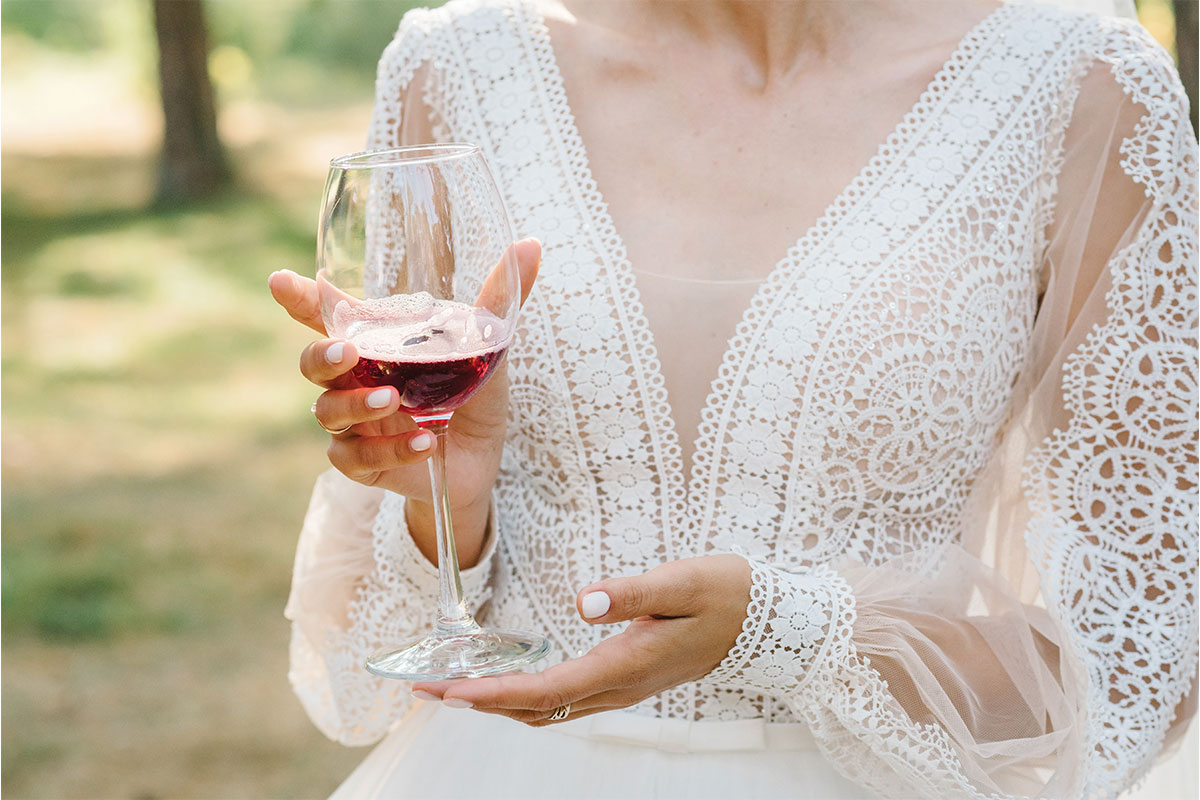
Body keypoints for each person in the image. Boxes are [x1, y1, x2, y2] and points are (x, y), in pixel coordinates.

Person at [267, 0, 1197, 797]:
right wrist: (452, 512)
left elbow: (1142, 654)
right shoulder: (456, 65)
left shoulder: (1084, 88)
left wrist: (787, 634)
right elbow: (362, 654)